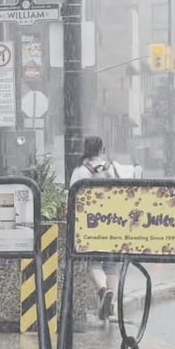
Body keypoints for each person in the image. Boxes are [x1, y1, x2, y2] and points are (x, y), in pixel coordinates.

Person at [69, 136, 137, 319]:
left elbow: (72, 196)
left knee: (94, 262)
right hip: (113, 222)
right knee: (112, 265)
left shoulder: (80, 171)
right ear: (102, 149)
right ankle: (111, 303)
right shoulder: (114, 167)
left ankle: (102, 290)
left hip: (92, 223)